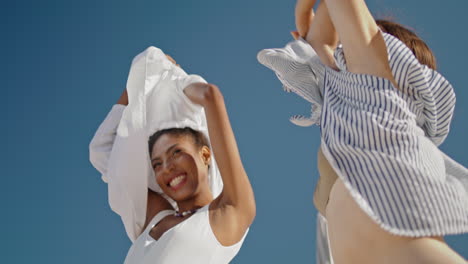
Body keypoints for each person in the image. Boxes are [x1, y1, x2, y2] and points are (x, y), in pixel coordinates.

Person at [259, 0, 468, 263]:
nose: (342, 52)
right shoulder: (351, 124)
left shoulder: (378, 90)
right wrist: (314, 37)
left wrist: (303, 11)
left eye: (347, 43)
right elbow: (324, 44)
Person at [90, 48, 255, 263]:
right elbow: (102, 151)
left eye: (176, 152)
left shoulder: (227, 214)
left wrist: (170, 78)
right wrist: (144, 82)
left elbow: (210, 96)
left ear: (205, 154)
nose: (166, 167)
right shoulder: (157, 218)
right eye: (157, 164)